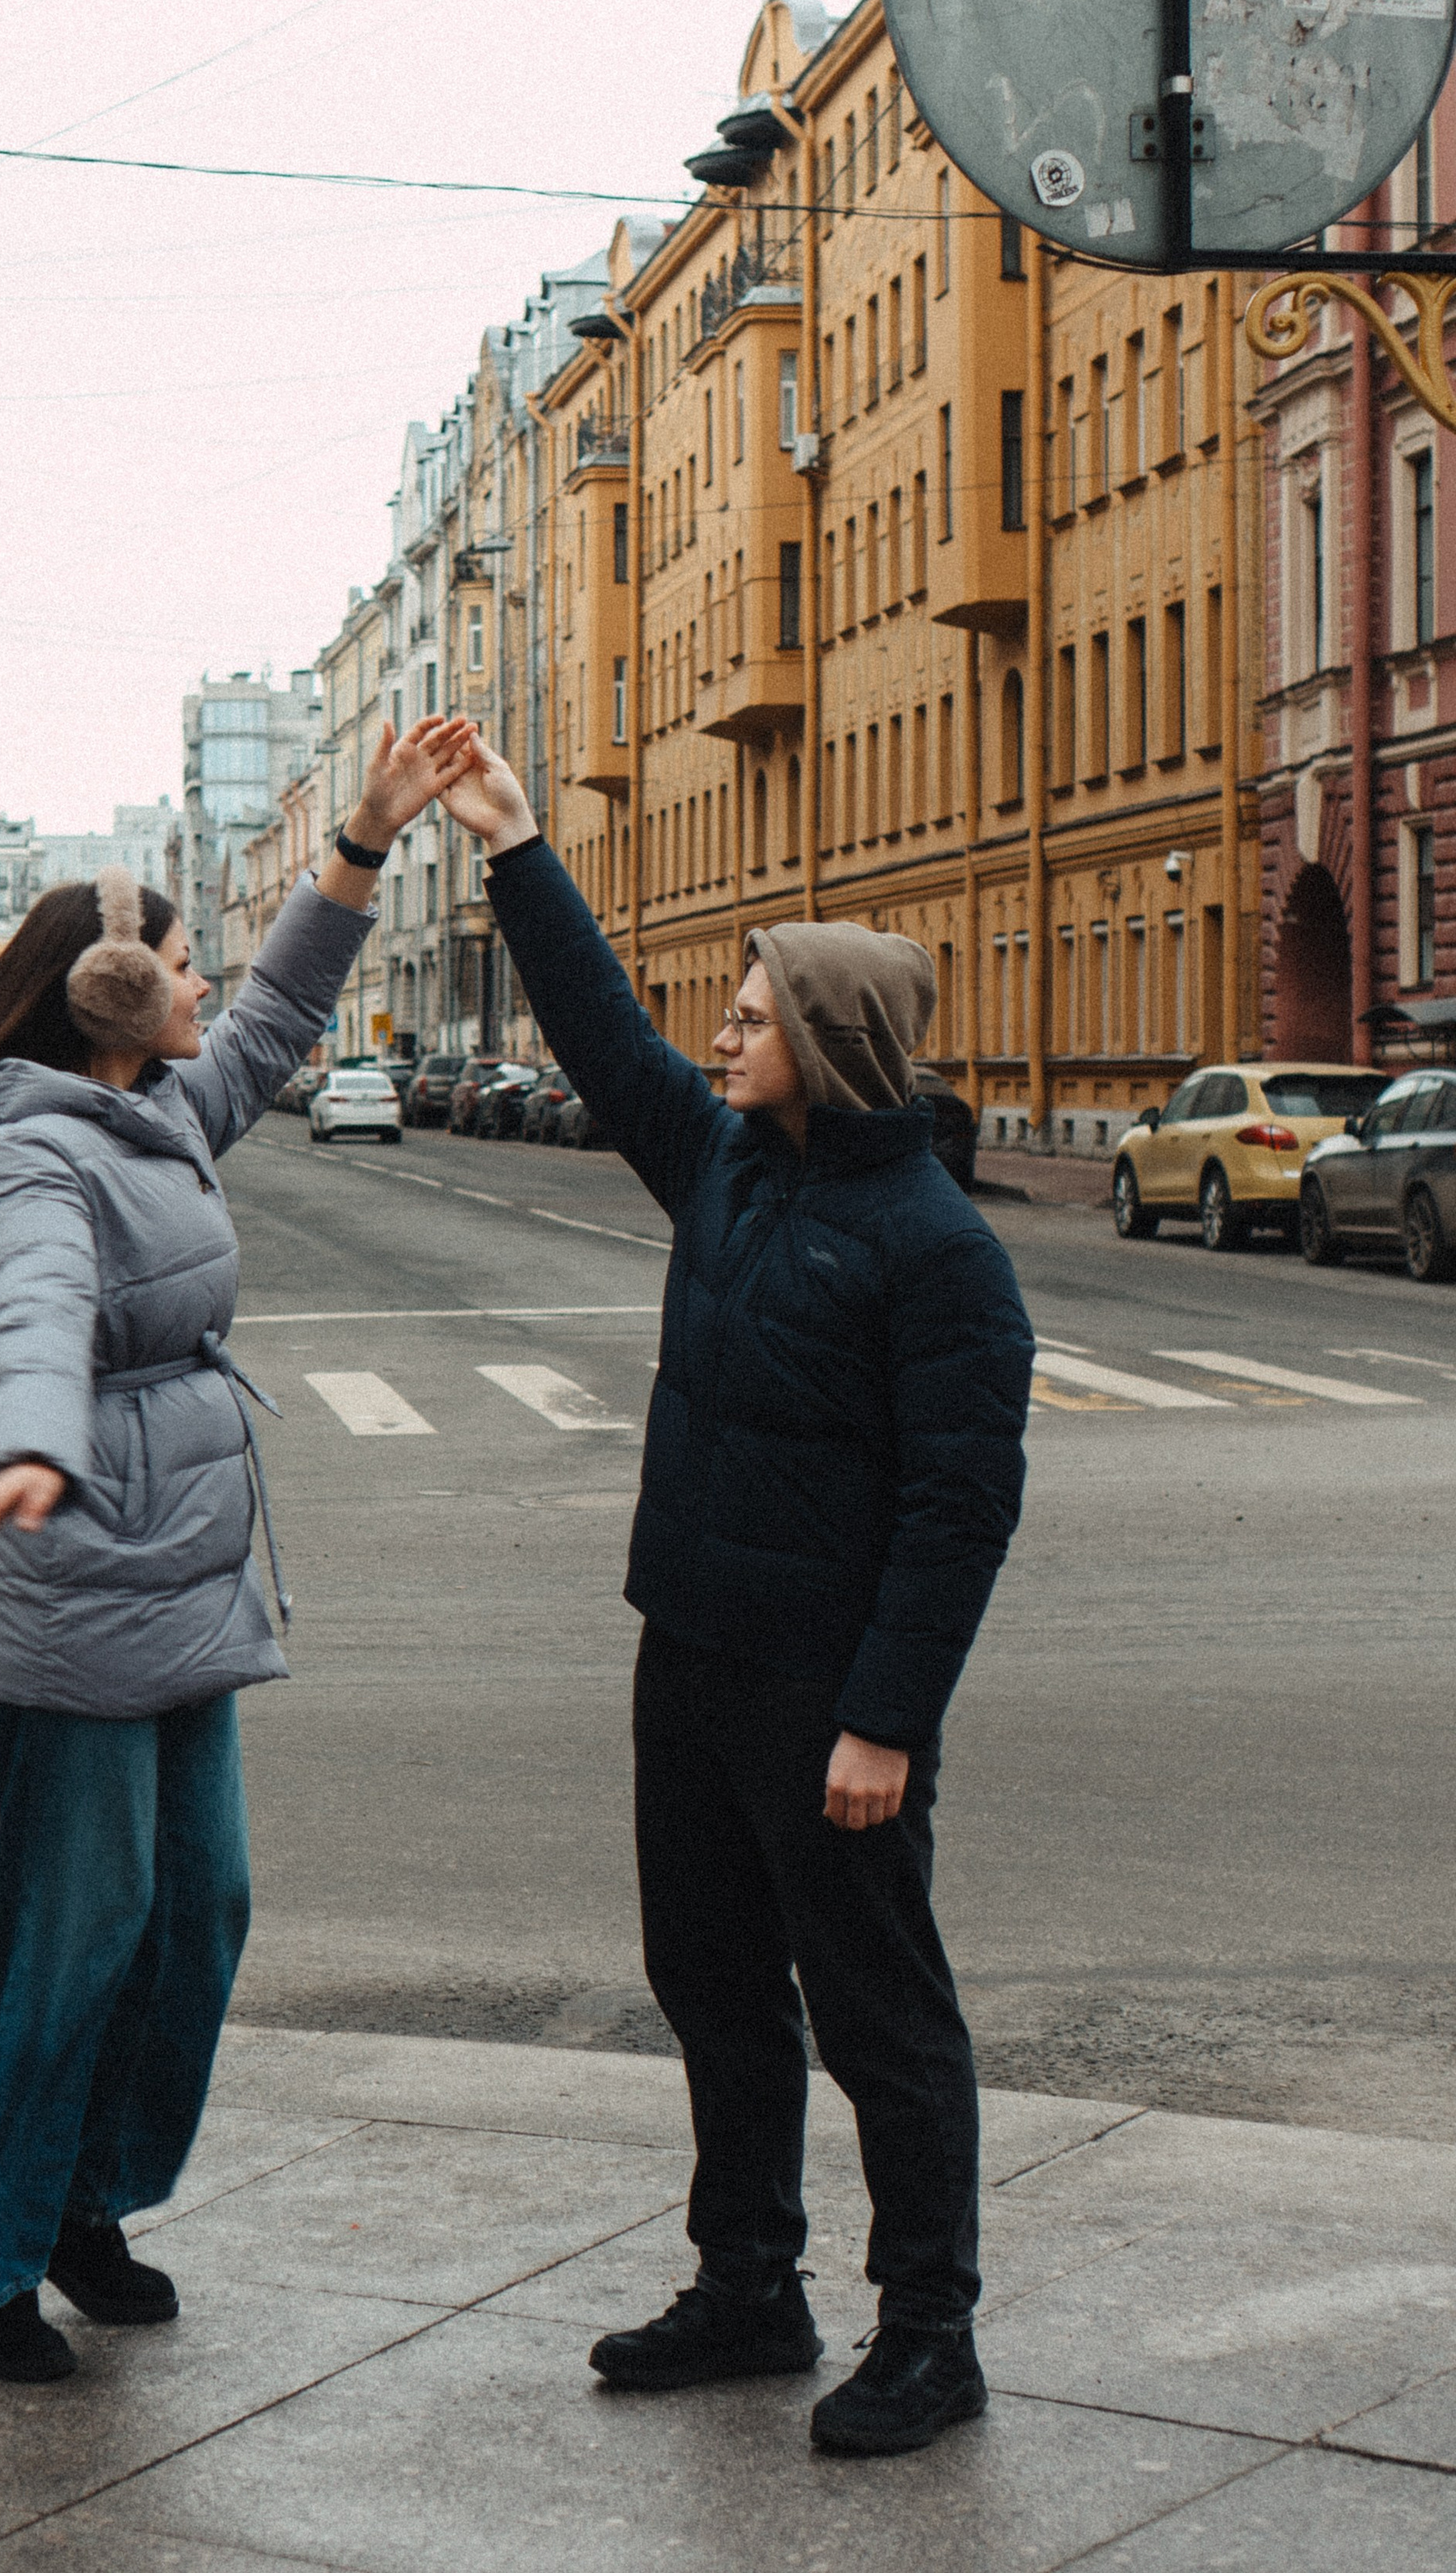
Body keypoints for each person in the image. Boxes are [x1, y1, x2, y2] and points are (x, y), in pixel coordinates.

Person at [437, 731, 1033, 2459]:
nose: (722, 1036)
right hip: (687, 1651)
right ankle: (749, 2290)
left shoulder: (937, 1250)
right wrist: (514, 848)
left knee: (880, 2022)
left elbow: (958, 1509)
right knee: (705, 1978)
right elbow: (604, 1037)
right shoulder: (724, 1172)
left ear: (828, 1045)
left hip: (821, 1693)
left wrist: (884, 1720)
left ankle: (928, 2335)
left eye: (753, 1017)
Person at [0, 714, 475, 2387]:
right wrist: (35, 1433)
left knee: (198, 1907)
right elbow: (45, 1299)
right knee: (74, 1929)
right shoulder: (35, 1146)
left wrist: (358, 835)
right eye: (183, 964)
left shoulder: (153, 1113)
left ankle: (83, 2197)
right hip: (73, 1581)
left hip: (184, 1576)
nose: (208, 983)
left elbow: (283, 1011)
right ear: (117, 1000)